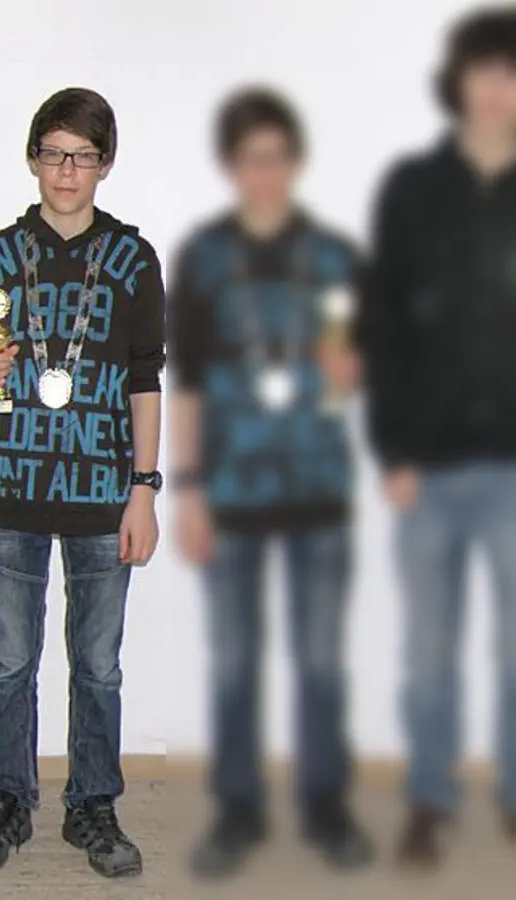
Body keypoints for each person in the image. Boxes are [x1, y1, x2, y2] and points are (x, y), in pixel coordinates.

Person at [169, 87, 372, 879]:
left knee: (321, 661)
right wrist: (187, 488)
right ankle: (238, 810)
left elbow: (361, 367)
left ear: (295, 161)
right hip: (229, 494)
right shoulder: (205, 260)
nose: (267, 172)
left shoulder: (336, 258)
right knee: (233, 663)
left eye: (279, 156)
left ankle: (326, 805)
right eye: (253, 158)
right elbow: (187, 383)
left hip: (319, 488)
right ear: (231, 165)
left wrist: (351, 371)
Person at [0, 87, 163, 880]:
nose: (67, 171)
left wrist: (145, 487)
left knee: (98, 666)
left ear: (105, 164)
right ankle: (7, 799)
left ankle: (93, 804)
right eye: (53, 153)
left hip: (105, 495)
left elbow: (144, 379)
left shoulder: (134, 260)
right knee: (9, 664)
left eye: (82, 156)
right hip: (12, 488)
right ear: (32, 159)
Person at [359, 6, 516, 868]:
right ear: (459, 82)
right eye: (484, 70)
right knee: (429, 651)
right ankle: (429, 798)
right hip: (429, 463)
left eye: (511, 71)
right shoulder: (415, 190)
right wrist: (394, 449)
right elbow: (383, 327)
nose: (498, 88)